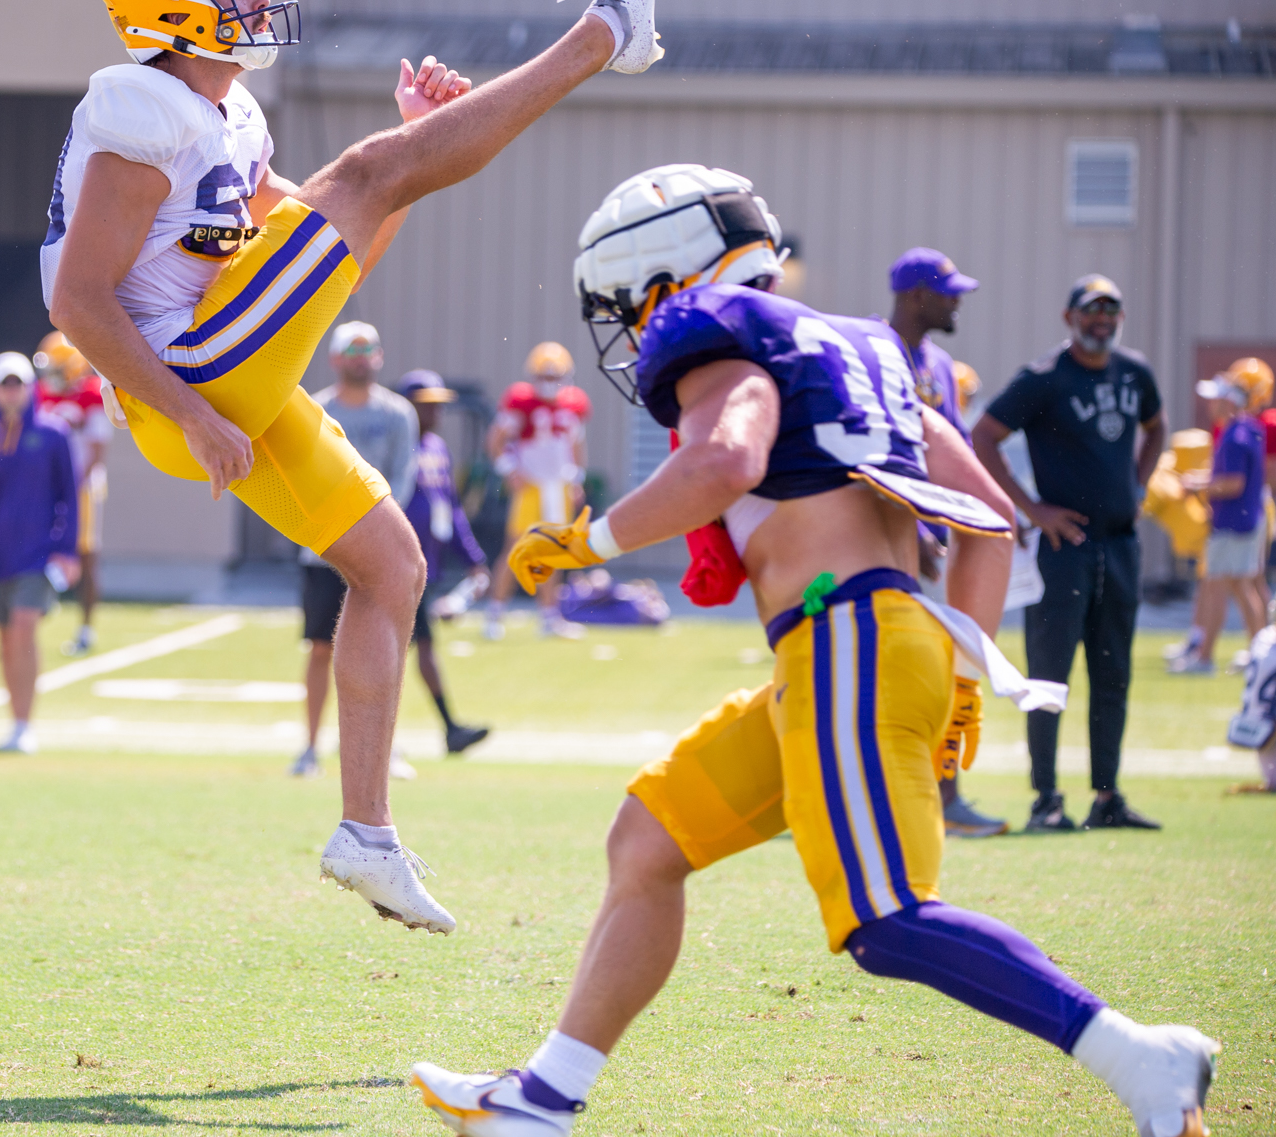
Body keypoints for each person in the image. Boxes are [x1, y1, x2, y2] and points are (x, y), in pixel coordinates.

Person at [409, 164, 1218, 1137]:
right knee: (647, 835)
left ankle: (1136, 1053)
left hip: (846, 637)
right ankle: (542, 1100)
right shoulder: (864, 347)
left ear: (666, 273)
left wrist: (589, 541)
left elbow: (720, 461)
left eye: (626, 300)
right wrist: (959, 673)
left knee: (883, 919)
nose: (629, 325)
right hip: (876, 640)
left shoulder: (713, 331)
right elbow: (990, 524)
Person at [43, 0, 665, 934]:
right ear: (173, 9)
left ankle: (364, 832)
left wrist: (408, 156)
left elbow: (335, 259)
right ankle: (600, 32)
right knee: (373, 166)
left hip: (221, 364)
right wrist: (191, 414)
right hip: (180, 371)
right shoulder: (140, 111)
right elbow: (76, 304)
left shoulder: (232, 122)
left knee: (393, 567)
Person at [972, 275, 1167, 833]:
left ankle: (1106, 798)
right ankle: (1046, 799)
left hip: (1120, 543)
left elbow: (1157, 427)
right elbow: (982, 436)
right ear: (1069, 317)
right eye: (1091, 310)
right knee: (1049, 674)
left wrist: (1139, 484)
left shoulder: (1135, 371)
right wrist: (1032, 510)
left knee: (1114, 673)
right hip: (1063, 547)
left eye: (1112, 309)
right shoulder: (1043, 378)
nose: (1102, 318)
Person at [883, 247, 1008, 838]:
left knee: (950, 662)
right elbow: (874, 455)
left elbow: (952, 448)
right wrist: (910, 525)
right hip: (882, 539)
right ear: (916, 297)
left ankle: (944, 790)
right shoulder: (875, 356)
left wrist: (970, 521)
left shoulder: (940, 364)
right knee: (888, 668)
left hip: (933, 538)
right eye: (948, 290)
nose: (958, 300)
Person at [291, 322, 419, 780]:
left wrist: (377, 536)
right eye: (351, 351)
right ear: (335, 357)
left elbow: (403, 477)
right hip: (323, 549)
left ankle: (385, 749)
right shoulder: (316, 408)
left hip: (378, 554)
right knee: (321, 648)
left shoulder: (398, 412)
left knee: (384, 650)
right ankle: (308, 748)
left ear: (379, 357)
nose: (360, 359)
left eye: (367, 351)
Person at [0, 351, 81, 754]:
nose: (11, 392)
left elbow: (71, 496)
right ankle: (14, 724)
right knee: (6, 638)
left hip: (38, 556)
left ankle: (26, 725)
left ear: (31, 388)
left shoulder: (53, 435)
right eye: (4, 384)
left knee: (25, 626)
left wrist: (67, 550)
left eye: (18, 383)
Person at [400, 368, 493, 755]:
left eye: (438, 407)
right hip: (398, 566)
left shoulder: (437, 447)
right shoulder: (397, 444)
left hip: (427, 567)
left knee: (414, 649)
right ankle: (446, 729)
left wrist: (473, 558)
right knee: (404, 651)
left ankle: (448, 729)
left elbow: (450, 509)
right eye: (427, 407)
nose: (435, 414)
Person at [482, 342, 592, 641]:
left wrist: (576, 478)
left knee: (554, 552)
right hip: (531, 486)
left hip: (558, 486)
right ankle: (494, 613)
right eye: (544, 376)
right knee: (516, 548)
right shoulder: (521, 401)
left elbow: (577, 445)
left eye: (555, 376)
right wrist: (509, 470)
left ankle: (549, 617)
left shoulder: (574, 404)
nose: (550, 383)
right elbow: (495, 440)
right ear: (533, 376)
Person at [1172, 366, 1270, 674]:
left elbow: (1233, 483)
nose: (1210, 405)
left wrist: (1197, 485)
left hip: (1233, 522)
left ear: (1229, 402)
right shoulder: (1247, 429)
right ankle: (1258, 656)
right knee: (1241, 586)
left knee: (1227, 586)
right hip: (1243, 520)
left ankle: (1205, 658)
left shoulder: (1235, 436)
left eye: (1216, 399)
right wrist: (1203, 480)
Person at [34, 332, 114, 655]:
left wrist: (69, 488)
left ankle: (85, 628)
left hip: (82, 489)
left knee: (86, 556)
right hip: (47, 488)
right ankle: (41, 602)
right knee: (37, 551)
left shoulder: (91, 396)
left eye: (56, 368)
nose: (50, 376)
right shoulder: (40, 395)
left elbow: (96, 452)